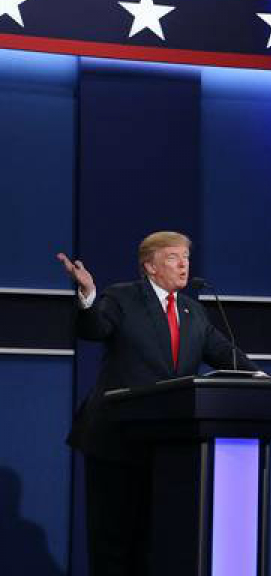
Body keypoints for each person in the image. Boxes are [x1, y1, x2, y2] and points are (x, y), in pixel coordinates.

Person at [57, 231, 254, 576]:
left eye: (186, 258)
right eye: (173, 258)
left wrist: (261, 379)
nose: (183, 265)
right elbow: (94, 329)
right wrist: (87, 294)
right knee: (114, 543)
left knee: (156, 544)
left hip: (167, 447)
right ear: (150, 266)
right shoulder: (123, 297)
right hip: (115, 441)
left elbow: (224, 353)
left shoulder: (194, 310)